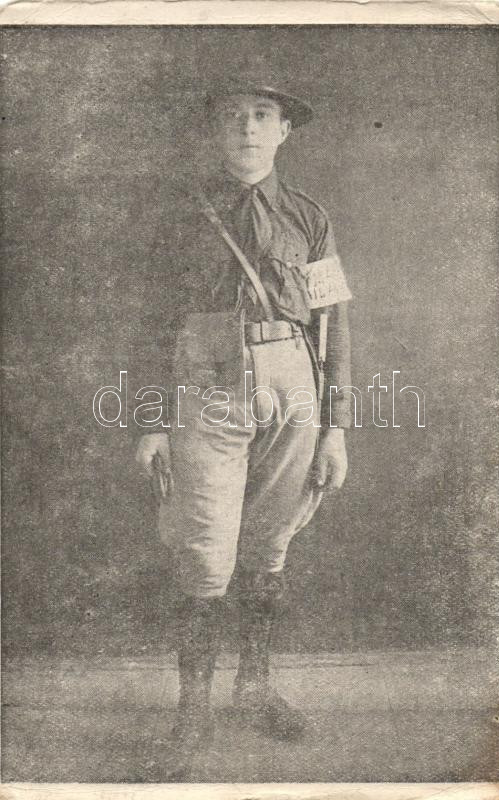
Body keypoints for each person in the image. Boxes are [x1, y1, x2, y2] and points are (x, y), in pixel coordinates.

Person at [135, 77, 352, 779]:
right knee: (205, 549)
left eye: (262, 116)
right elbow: (150, 320)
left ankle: (253, 688)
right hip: (206, 383)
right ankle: (192, 708)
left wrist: (336, 427)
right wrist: (150, 420)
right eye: (233, 116)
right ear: (215, 130)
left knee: (269, 544)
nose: (248, 129)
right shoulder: (179, 214)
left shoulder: (308, 217)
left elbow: (332, 323)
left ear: (283, 130)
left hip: (294, 384)